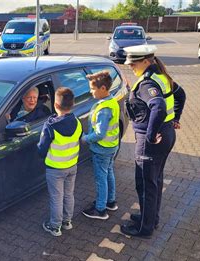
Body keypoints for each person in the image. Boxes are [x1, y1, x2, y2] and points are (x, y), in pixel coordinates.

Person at [121, 44, 185, 238]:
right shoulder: (160, 76)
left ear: (146, 61)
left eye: (134, 63)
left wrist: (150, 135)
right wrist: (175, 119)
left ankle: (144, 228)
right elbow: (181, 95)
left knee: (145, 183)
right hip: (166, 135)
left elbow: (157, 107)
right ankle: (150, 218)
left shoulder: (148, 83)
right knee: (154, 180)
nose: (130, 66)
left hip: (152, 140)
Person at [38, 87, 82, 236]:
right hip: (72, 165)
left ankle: (55, 226)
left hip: (55, 168)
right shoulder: (77, 122)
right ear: (73, 104)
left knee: (56, 197)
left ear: (55, 105)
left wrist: (40, 153)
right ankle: (67, 222)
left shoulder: (50, 126)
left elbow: (42, 148)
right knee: (69, 194)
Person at [81, 71, 121, 220]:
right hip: (111, 146)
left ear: (103, 88)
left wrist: (85, 139)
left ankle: (100, 209)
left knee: (100, 178)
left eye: (92, 89)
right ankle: (111, 202)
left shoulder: (104, 109)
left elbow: (99, 134)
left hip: (102, 148)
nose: (91, 92)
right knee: (108, 173)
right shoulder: (111, 102)